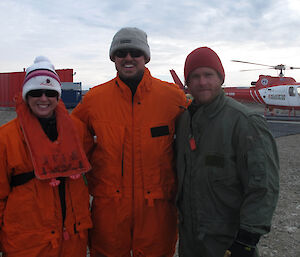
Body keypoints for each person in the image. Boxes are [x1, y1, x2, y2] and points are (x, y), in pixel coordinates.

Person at [72, 27, 189, 257]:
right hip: (109, 212)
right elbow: (67, 142)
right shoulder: (94, 100)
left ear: (145, 57)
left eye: (135, 52)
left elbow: (199, 140)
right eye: (121, 52)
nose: (128, 58)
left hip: (157, 210)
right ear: (113, 58)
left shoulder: (173, 98)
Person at [175, 47, 279, 257]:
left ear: (221, 78)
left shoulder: (245, 122)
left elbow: (263, 184)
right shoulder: (184, 121)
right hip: (190, 241)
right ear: (187, 82)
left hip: (228, 243)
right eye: (195, 76)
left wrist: (247, 239)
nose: (202, 82)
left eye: (208, 75)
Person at [0, 56, 93, 257]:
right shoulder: (6, 138)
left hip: (72, 241)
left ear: (58, 96)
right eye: (36, 92)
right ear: (25, 95)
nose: (43, 98)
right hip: (28, 245)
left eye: (50, 93)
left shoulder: (78, 131)